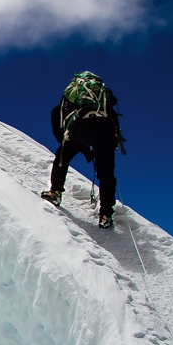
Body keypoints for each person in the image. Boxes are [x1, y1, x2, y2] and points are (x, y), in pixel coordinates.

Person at [41, 71, 125, 228]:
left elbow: (57, 119)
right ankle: (106, 214)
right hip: (104, 139)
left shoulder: (71, 98)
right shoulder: (104, 101)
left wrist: (67, 141)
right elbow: (114, 123)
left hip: (78, 134)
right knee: (107, 174)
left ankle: (55, 192)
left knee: (62, 156)